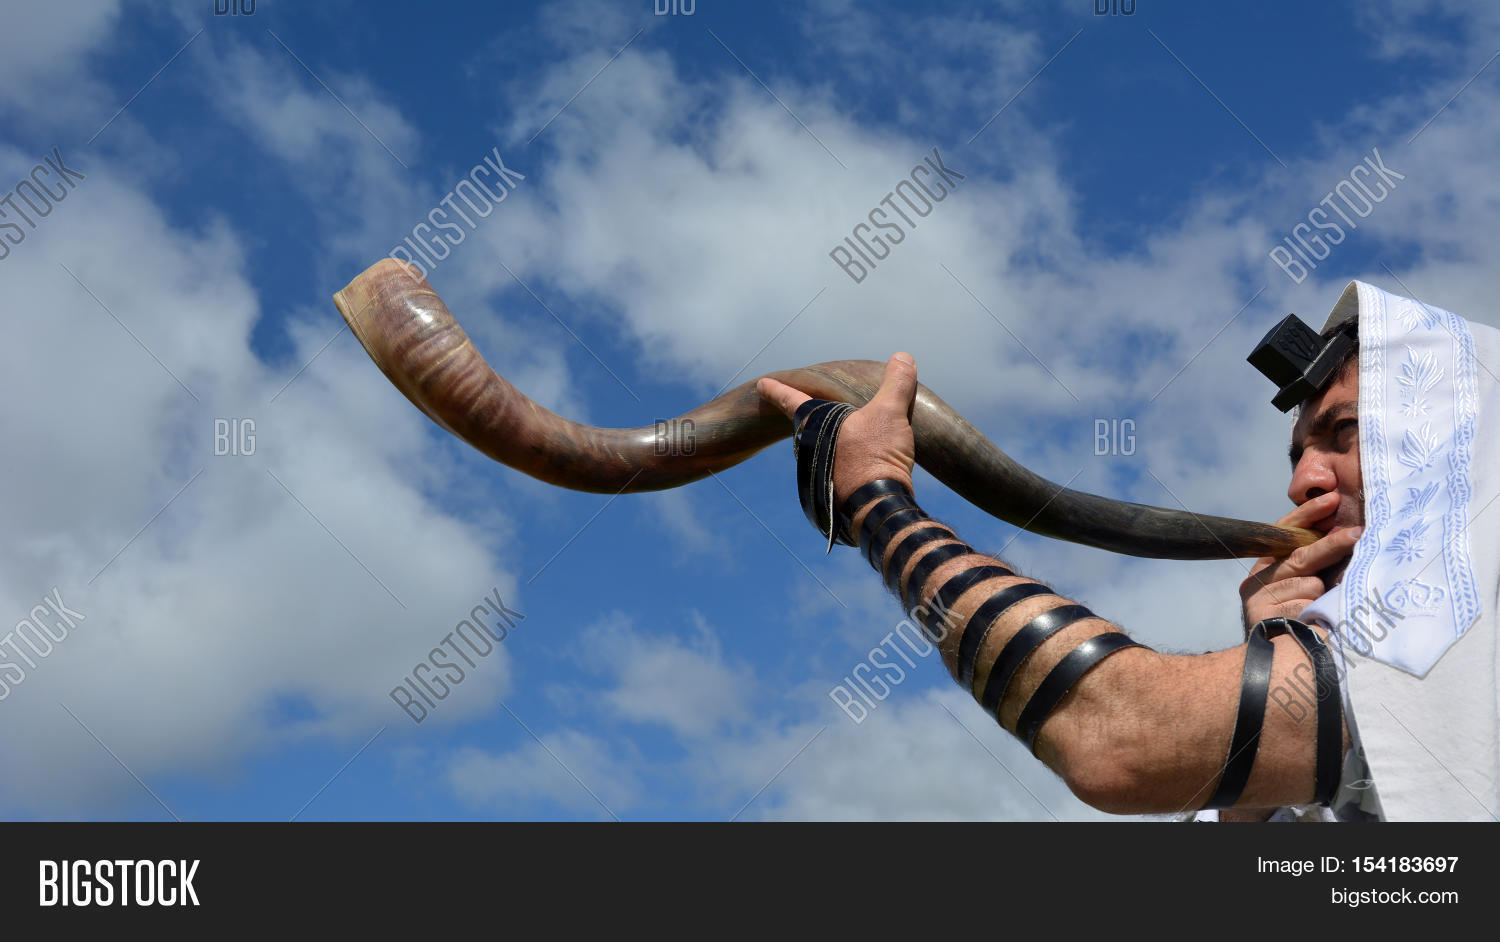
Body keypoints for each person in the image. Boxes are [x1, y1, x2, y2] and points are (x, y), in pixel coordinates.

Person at [757, 280, 1499, 821]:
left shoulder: (1464, 610)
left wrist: (875, 500)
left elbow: (1113, 735)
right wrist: (1274, 671)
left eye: (1346, 432)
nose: (1303, 480)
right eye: (1299, 451)